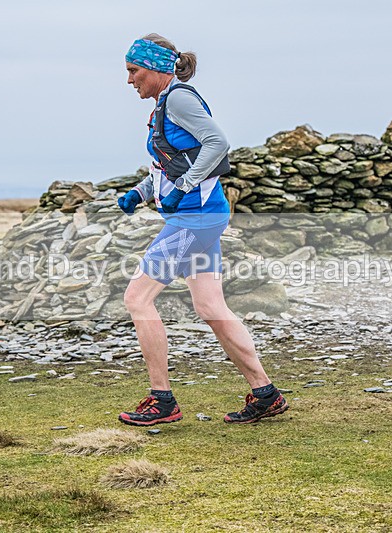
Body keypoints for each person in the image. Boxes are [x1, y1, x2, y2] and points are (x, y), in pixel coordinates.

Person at [116, 34, 289, 426]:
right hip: (202, 216)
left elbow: (217, 143)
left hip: (194, 218)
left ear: (157, 68)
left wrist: (184, 188)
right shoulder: (165, 103)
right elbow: (169, 164)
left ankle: (162, 400)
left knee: (137, 299)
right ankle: (266, 394)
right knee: (211, 307)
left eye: (133, 70)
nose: (129, 80)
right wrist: (141, 193)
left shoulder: (178, 98)